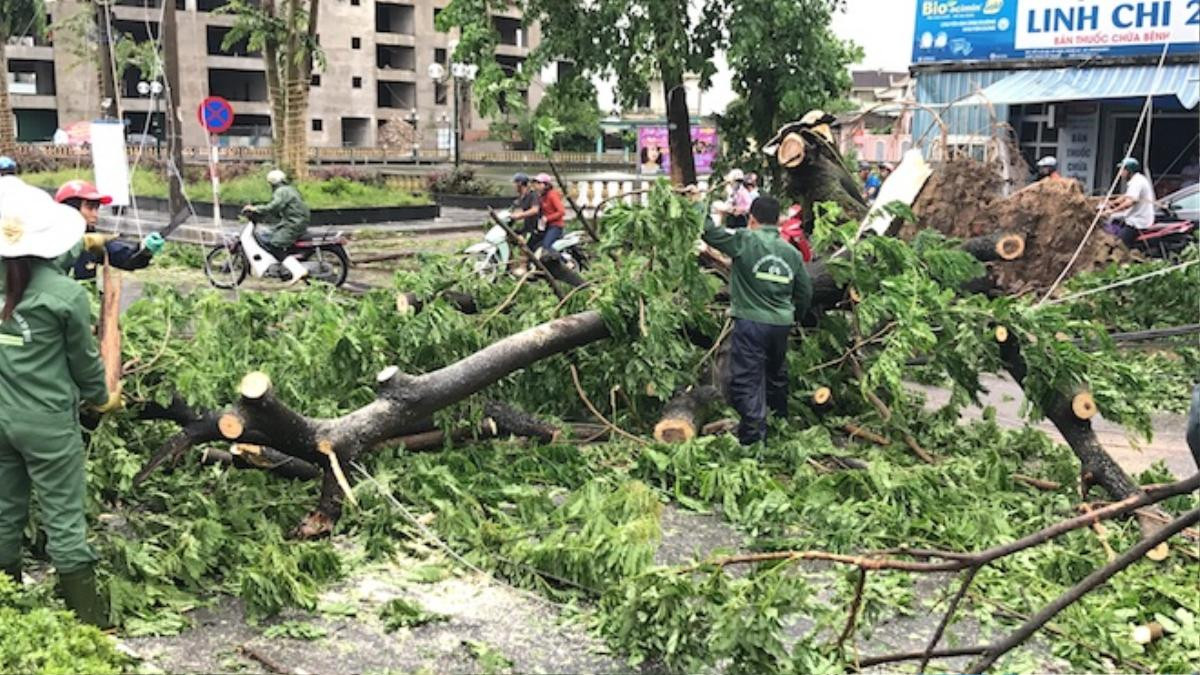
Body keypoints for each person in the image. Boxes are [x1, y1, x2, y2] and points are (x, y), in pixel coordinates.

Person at [0, 178, 120, 627]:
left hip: (2, 417)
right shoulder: (66, 296)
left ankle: (8, 607)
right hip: (49, 426)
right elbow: (85, 367)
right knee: (64, 516)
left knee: (4, 509)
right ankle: (89, 624)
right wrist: (102, 398)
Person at [702, 195, 812, 446]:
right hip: (781, 324)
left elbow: (708, 232)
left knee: (748, 378)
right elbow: (805, 292)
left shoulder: (744, 240)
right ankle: (779, 427)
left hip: (751, 322)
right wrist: (796, 315)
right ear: (777, 221)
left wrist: (698, 203)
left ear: (752, 219)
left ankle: (754, 439)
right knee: (775, 375)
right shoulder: (791, 252)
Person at [53, 179, 163, 280]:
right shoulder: (47, 242)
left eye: (97, 208)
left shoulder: (93, 242)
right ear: (71, 209)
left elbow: (124, 258)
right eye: (90, 208)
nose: (95, 214)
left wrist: (145, 249)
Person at [242, 169, 311, 283]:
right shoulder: (289, 189)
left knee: (275, 245)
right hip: (294, 221)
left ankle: (297, 270)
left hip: (293, 223)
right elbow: (278, 209)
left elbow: (274, 206)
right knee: (272, 233)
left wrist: (255, 209)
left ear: (272, 183)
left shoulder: (281, 191)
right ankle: (283, 269)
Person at [1103, 158, 1157, 248]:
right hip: (1134, 217)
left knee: (1118, 244)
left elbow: (1129, 202)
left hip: (1137, 222)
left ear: (1129, 171)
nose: (1120, 173)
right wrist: (1111, 203)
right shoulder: (1136, 180)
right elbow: (1126, 196)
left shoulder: (1137, 182)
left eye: (1123, 170)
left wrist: (1112, 211)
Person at [532, 173, 566, 256]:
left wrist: (548, 218)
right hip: (546, 226)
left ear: (546, 185)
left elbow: (561, 211)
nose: (537, 186)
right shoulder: (541, 196)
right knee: (535, 245)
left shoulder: (552, 195)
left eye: (539, 183)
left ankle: (565, 262)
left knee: (546, 246)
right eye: (537, 183)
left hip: (556, 226)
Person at [509, 172, 540, 237]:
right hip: (526, 227)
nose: (514, 186)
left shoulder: (532, 195)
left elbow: (535, 210)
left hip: (534, 228)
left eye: (515, 183)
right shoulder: (521, 197)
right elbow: (515, 208)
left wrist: (520, 215)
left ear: (519, 184)